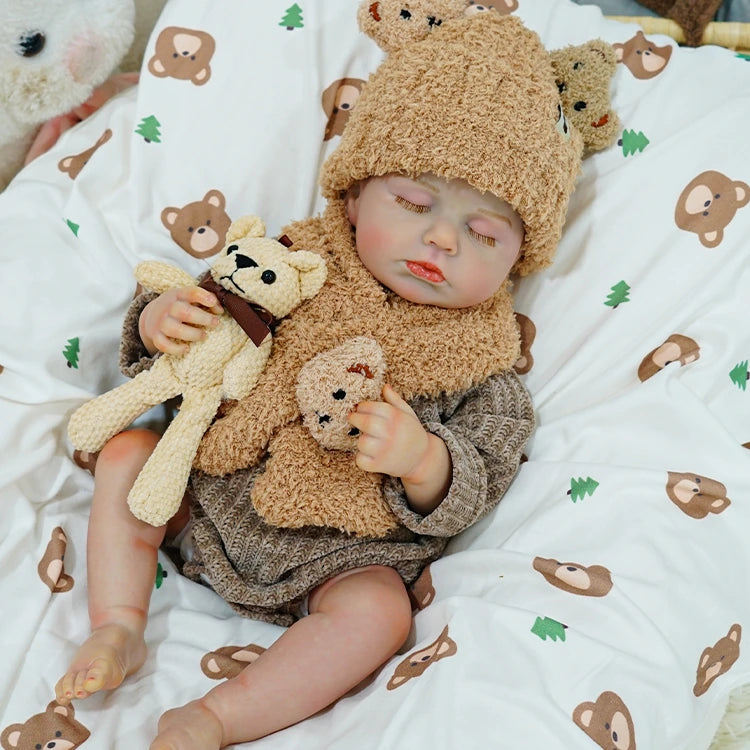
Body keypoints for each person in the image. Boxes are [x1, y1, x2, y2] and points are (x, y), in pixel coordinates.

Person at [55, 9, 584, 750]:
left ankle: (215, 716)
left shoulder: (483, 362)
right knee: (127, 457)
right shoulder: (292, 261)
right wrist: (162, 320)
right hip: (205, 496)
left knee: (379, 614)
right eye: (413, 201)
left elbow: (483, 470)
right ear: (356, 191)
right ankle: (119, 624)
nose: (441, 238)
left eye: (485, 233)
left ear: (519, 257)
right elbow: (202, 343)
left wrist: (425, 460)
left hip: (335, 554)